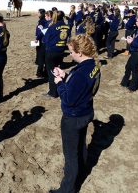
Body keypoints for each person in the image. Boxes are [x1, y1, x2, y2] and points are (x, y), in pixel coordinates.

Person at [49, 34, 101, 193]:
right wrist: (66, 76)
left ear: (79, 53)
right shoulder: (93, 65)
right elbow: (85, 87)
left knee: (71, 156)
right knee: (81, 146)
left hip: (73, 117)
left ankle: (67, 189)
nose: (69, 54)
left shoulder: (80, 73)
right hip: (85, 112)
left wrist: (59, 83)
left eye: (71, 52)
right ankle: (82, 170)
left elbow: (68, 99)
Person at [44, 11, 69, 98]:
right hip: (61, 51)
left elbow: (45, 40)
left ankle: (53, 92)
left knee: (51, 72)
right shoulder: (67, 26)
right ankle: (58, 88)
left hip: (51, 51)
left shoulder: (52, 26)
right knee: (58, 70)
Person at [35, 9, 47, 78]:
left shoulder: (42, 22)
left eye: (38, 13)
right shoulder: (42, 21)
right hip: (41, 40)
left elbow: (41, 32)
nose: (37, 14)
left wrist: (37, 38)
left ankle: (39, 72)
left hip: (41, 40)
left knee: (41, 57)